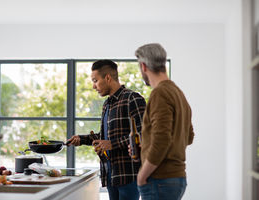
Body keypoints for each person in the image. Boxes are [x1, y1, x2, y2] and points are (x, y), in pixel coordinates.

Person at [68, 59, 146, 200]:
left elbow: (144, 134)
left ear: (108, 78)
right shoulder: (107, 104)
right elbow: (105, 136)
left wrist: (112, 144)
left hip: (129, 175)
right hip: (110, 174)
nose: (93, 86)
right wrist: (82, 139)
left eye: (95, 80)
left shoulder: (132, 99)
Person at [133, 43, 194, 200]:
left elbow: (162, 139)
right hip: (176, 178)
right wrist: (145, 146)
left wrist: (142, 175)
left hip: (159, 179)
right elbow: (188, 137)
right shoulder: (178, 93)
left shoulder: (160, 93)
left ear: (144, 66)